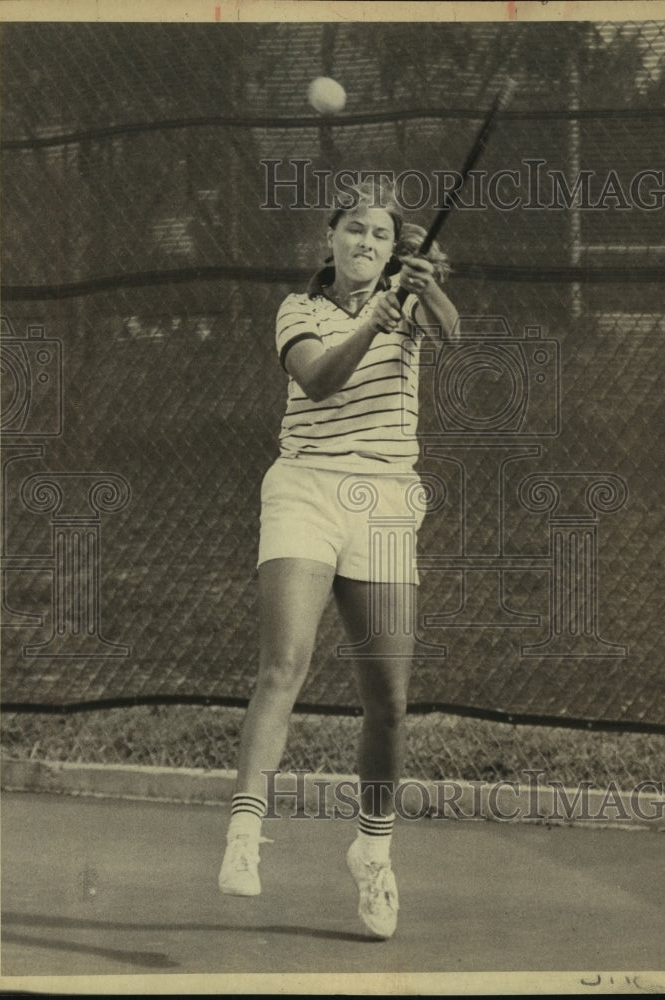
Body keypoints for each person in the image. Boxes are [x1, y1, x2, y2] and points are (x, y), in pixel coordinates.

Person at [219, 179, 460, 939]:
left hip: (386, 503)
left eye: (381, 236)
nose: (365, 243)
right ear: (330, 239)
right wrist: (373, 323)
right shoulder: (299, 310)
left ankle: (374, 855)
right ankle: (244, 836)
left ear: (395, 250)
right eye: (354, 229)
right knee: (282, 664)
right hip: (306, 493)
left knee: (388, 700)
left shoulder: (412, 304)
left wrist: (424, 293)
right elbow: (320, 380)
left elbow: (452, 336)